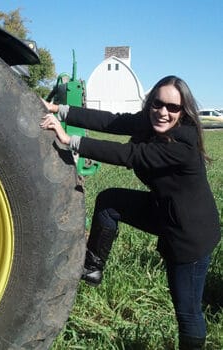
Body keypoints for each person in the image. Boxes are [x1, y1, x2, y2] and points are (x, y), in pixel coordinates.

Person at [40, 75, 220, 350]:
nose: (163, 112)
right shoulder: (149, 122)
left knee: (187, 310)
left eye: (173, 108)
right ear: (150, 103)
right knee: (110, 202)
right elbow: (111, 121)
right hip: (166, 211)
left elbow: (129, 155)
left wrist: (69, 140)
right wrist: (58, 110)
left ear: (183, 112)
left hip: (190, 234)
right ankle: (92, 267)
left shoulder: (182, 144)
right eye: (158, 104)